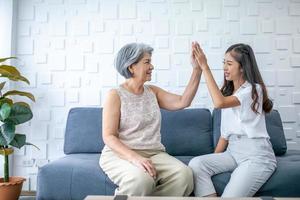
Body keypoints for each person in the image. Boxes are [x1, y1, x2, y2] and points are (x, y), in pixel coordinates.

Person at [99, 42, 202, 196]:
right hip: (121, 154)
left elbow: (183, 101)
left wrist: (197, 69)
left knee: (184, 175)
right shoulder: (115, 95)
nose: (152, 66)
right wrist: (135, 159)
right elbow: (109, 136)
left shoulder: (152, 92)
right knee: (141, 180)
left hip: (154, 154)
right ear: (131, 67)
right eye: (147, 62)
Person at [188, 42, 277, 197]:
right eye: (224, 63)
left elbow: (219, 103)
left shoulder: (253, 90)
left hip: (256, 155)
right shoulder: (230, 93)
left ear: (243, 67)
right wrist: (213, 159)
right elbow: (225, 135)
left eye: (229, 64)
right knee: (197, 164)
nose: (224, 68)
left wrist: (205, 67)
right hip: (233, 152)